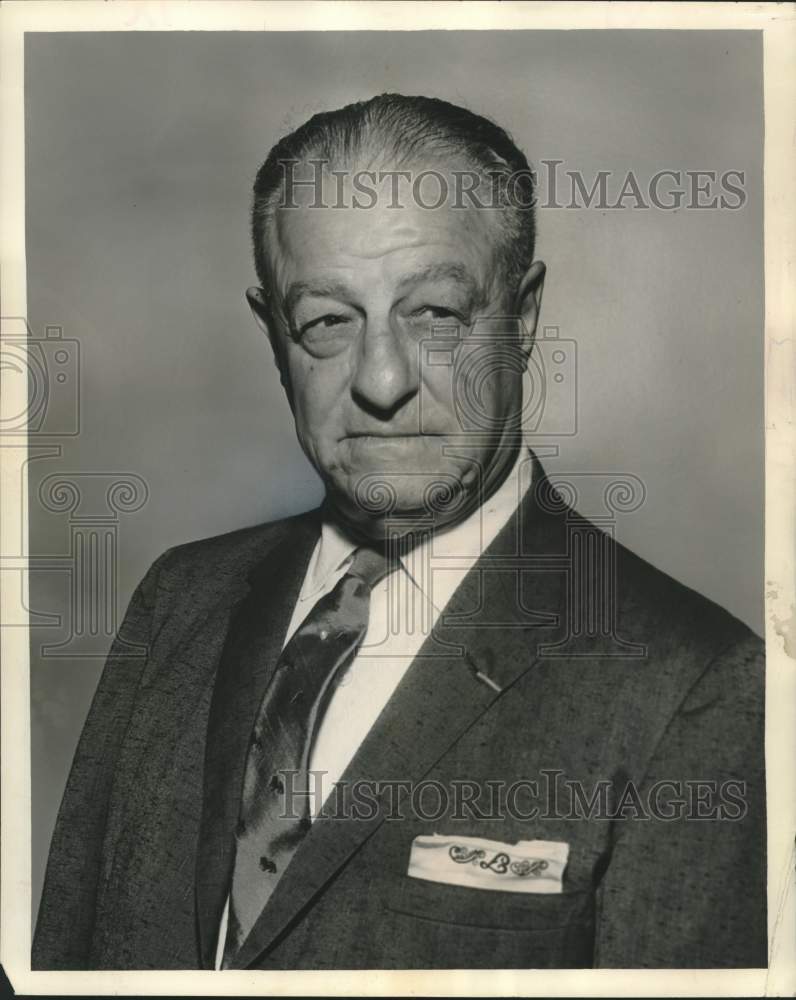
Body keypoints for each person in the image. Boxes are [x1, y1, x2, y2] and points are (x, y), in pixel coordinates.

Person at [33, 93, 766, 971]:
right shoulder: (180, 603)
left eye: (435, 315)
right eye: (328, 323)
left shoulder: (691, 688)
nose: (382, 379)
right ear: (274, 336)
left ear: (523, 319)